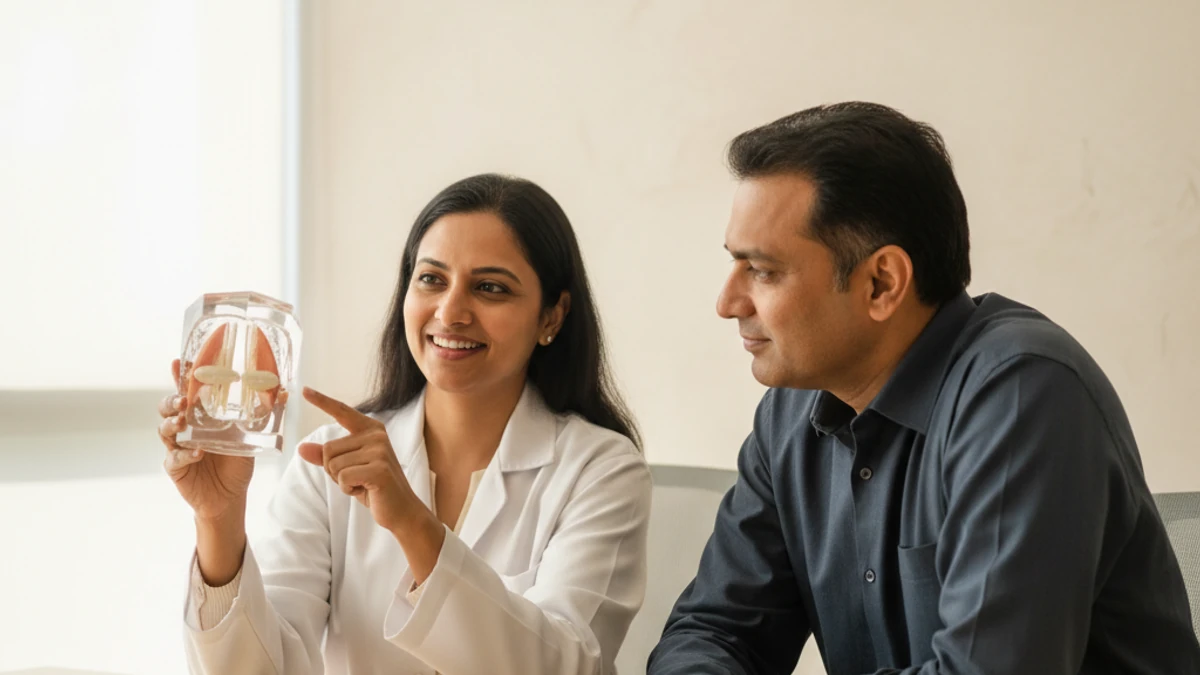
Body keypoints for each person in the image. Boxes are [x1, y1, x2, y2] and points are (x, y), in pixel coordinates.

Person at [648, 102, 1200, 674]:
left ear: (882, 282)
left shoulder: (1023, 395)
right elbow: (712, 630)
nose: (727, 303)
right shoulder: (789, 417)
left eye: (762, 271)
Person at [158, 173, 652, 674]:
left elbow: (565, 666)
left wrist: (412, 523)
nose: (451, 311)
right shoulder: (326, 460)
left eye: (490, 288)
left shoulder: (602, 470)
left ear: (552, 316)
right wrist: (218, 518)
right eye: (432, 279)